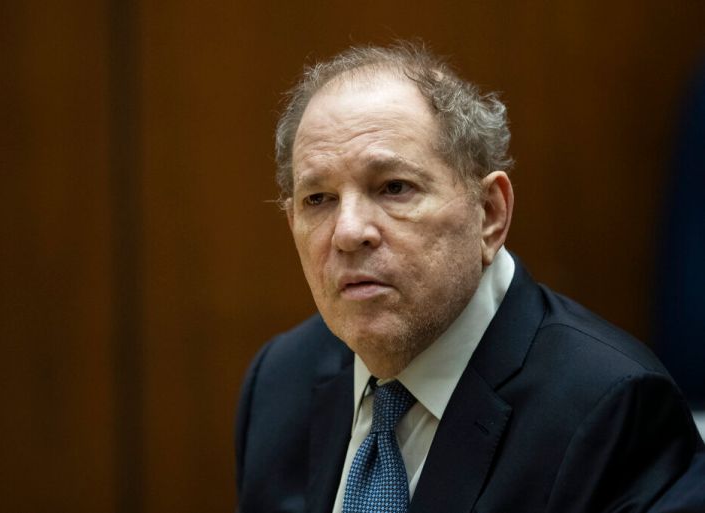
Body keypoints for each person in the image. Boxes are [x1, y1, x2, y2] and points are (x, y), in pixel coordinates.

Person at [235, 42, 704, 513]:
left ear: (490, 214)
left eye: (394, 187)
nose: (348, 232)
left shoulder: (612, 410)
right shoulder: (280, 380)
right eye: (318, 199)